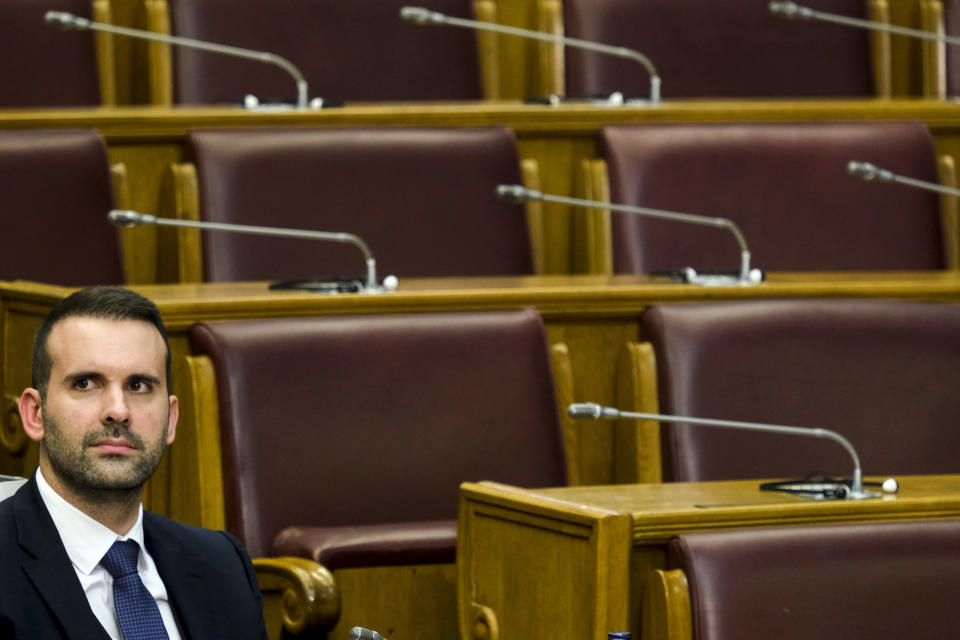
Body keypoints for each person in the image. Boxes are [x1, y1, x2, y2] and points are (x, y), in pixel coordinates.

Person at [0, 286, 267, 639]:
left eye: (138, 385)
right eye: (85, 383)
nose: (118, 411)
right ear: (35, 414)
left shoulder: (222, 565)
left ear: (171, 420)